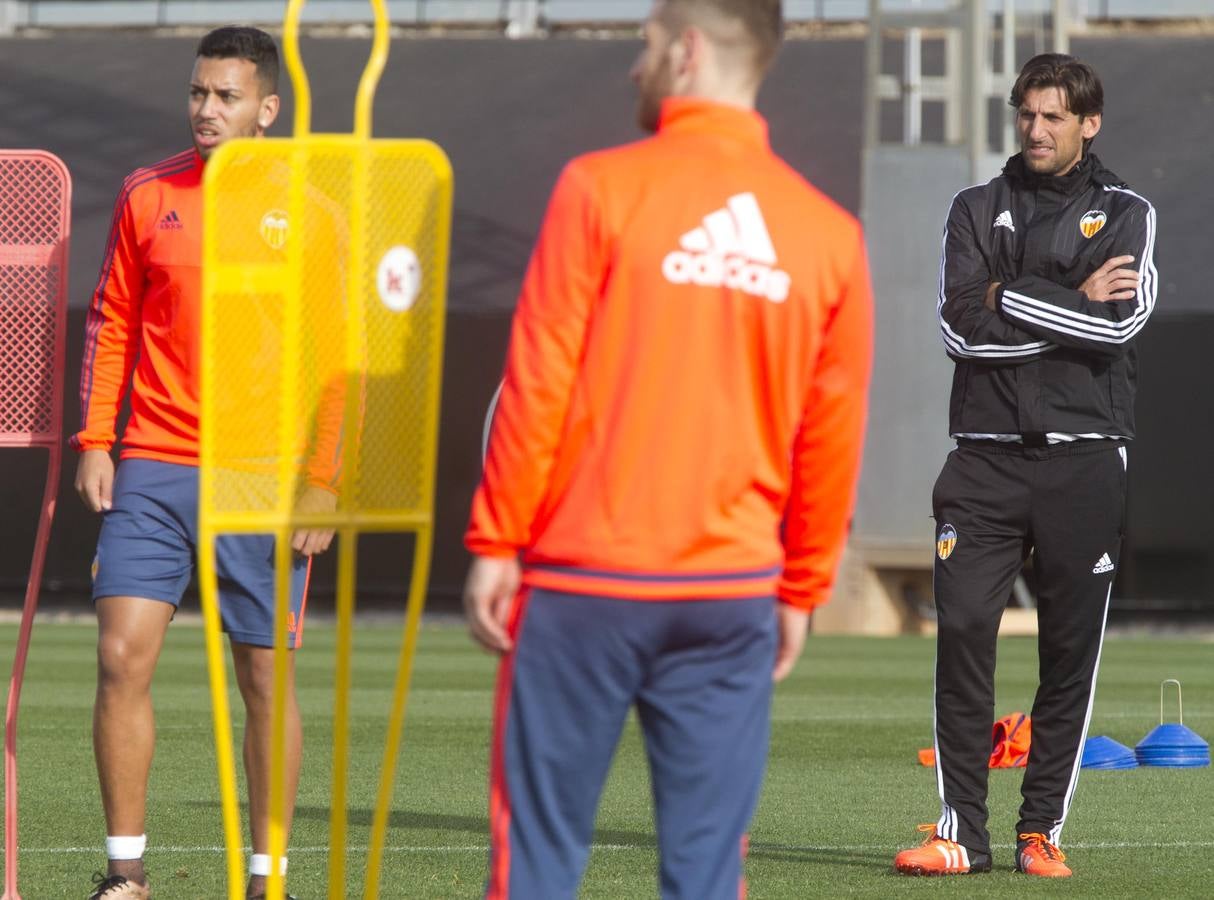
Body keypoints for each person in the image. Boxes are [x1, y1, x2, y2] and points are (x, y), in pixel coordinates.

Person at [462, 1, 873, 896]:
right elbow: (832, 433)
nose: (634, 66)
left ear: (686, 51)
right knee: (704, 873)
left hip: (584, 584)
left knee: (536, 861)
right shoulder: (829, 234)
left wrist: (497, 541)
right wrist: (802, 586)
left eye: (644, 46)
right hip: (730, 595)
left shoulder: (597, 187)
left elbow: (539, 383)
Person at [75, 27, 336, 900]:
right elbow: (112, 319)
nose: (206, 110)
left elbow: (335, 359)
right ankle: (126, 875)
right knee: (121, 656)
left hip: (265, 475)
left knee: (264, 674)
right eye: (197, 93)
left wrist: (323, 480)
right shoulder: (148, 195)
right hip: (151, 461)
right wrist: (97, 441)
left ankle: (269, 879)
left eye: (225, 97)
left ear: (266, 109)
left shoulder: (311, 209)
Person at [894, 53, 1157, 878]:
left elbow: (1119, 328)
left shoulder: (1127, 211)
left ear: (1089, 123)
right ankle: (959, 834)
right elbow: (960, 331)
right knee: (965, 628)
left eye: (1054, 117)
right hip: (983, 462)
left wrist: (1010, 293)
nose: (1036, 131)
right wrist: (1072, 299)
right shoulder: (975, 208)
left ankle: (1039, 829)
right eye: (1026, 116)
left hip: (1085, 459)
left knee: (1068, 649)